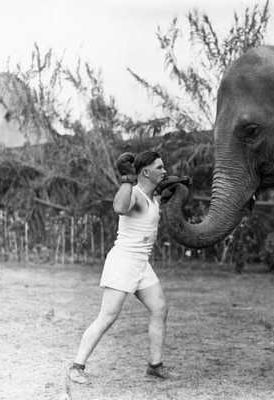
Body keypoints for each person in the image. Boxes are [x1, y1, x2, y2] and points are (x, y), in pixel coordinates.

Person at [68, 150, 177, 385]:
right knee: (107, 317)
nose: (164, 170)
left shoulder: (151, 198)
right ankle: (76, 367)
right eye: (160, 167)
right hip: (123, 262)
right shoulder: (135, 194)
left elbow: (160, 197)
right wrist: (127, 178)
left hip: (141, 263)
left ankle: (154, 367)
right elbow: (119, 207)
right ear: (145, 172)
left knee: (160, 308)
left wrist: (175, 190)